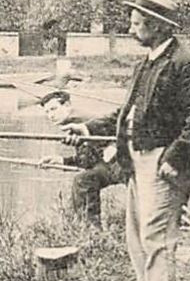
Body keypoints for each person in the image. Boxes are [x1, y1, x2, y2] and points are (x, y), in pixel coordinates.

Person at [63, 0, 190, 281]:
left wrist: (175, 157)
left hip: (163, 163)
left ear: (159, 27)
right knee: (136, 239)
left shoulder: (186, 64)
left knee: (157, 238)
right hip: (136, 161)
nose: (132, 29)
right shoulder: (147, 63)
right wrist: (87, 128)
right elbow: (128, 115)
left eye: (137, 24)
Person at [37, 90, 126, 227]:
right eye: (47, 112)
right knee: (85, 179)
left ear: (67, 105)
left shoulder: (83, 121)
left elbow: (102, 153)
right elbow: (90, 160)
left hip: (123, 162)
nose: (51, 115)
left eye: (54, 109)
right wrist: (61, 161)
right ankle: (90, 229)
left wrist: (108, 146)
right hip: (112, 165)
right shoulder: (73, 122)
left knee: (83, 181)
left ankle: (91, 230)